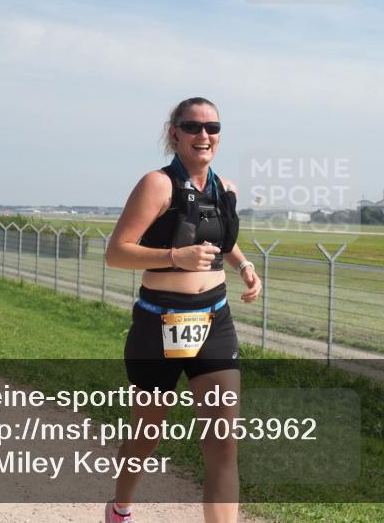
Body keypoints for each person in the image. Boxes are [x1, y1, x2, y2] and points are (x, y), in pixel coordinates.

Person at [105, 97, 261, 523]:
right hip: (160, 321)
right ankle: (120, 507)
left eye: (212, 127)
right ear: (174, 133)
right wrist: (175, 257)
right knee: (148, 433)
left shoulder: (225, 188)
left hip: (214, 319)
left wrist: (244, 265)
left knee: (223, 442)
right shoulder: (157, 184)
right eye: (192, 127)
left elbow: (221, 241)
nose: (203, 135)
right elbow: (116, 253)